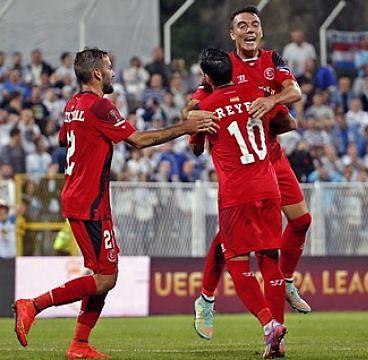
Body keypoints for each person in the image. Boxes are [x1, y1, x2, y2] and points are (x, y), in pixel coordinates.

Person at [12, 47, 218, 359]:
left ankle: (80, 344)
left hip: (85, 197)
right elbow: (139, 140)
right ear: (96, 73)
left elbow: (62, 140)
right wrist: (185, 128)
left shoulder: (73, 105)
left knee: (104, 275)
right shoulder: (99, 106)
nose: (112, 72)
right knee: (105, 277)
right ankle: (34, 306)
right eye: (108, 67)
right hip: (88, 201)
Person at [185, 6, 312, 341]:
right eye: (242, 25)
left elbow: (295, 94)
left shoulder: (273, 59)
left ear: (262, 31)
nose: (250, 29)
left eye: (255, 24)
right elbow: (192, 108)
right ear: (233, 34)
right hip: (245, 163)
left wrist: (271, 103)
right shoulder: (222, 67)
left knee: (301, 221)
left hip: (271, 157)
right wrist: (204, 118)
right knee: (232, 239)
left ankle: (285, 281)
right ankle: (208, 297)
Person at [196, 47, 295, 359]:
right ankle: (276, 328)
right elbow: (289, 123)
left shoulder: (206, 107)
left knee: (237, 261)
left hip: (236, 193)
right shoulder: (257, 94)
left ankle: (269, 326)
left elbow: (196, 147)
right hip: (269, 187)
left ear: (207, 77)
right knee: (269, 259)